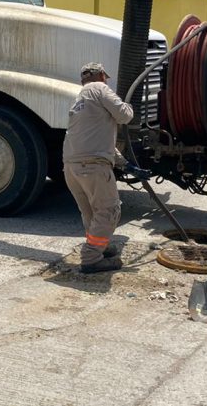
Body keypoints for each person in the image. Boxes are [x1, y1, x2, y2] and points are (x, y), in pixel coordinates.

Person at [62, 62, 135, 273]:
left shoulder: (79, 99)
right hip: (92, 167)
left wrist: (123, 162)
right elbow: (125, 115)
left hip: (72, 167)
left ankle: (98, 245)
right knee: (109, 210)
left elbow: (93, 139)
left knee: (91, 212)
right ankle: (92, 257)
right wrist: (128, 105)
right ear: (102, 75)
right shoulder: (100, 89)